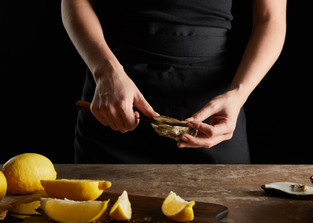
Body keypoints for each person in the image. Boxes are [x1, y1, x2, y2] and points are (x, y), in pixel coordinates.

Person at [62, 0, 287, 164]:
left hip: (212, 115)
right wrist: (105, 71)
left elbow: (271, 20)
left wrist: (238, 94)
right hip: (116, 101)